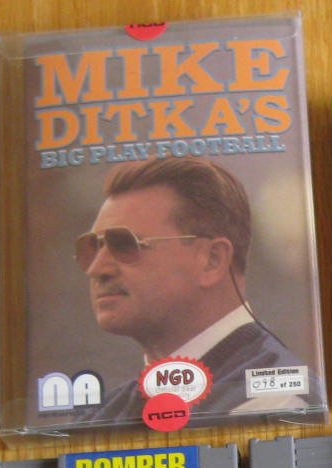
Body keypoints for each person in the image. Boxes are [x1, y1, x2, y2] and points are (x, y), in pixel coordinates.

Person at [79, 158, 312, 423]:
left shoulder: (271, 401)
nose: (96, 268)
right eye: (92, 247)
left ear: (212, 260)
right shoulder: (105, 414)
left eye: (124, 244)